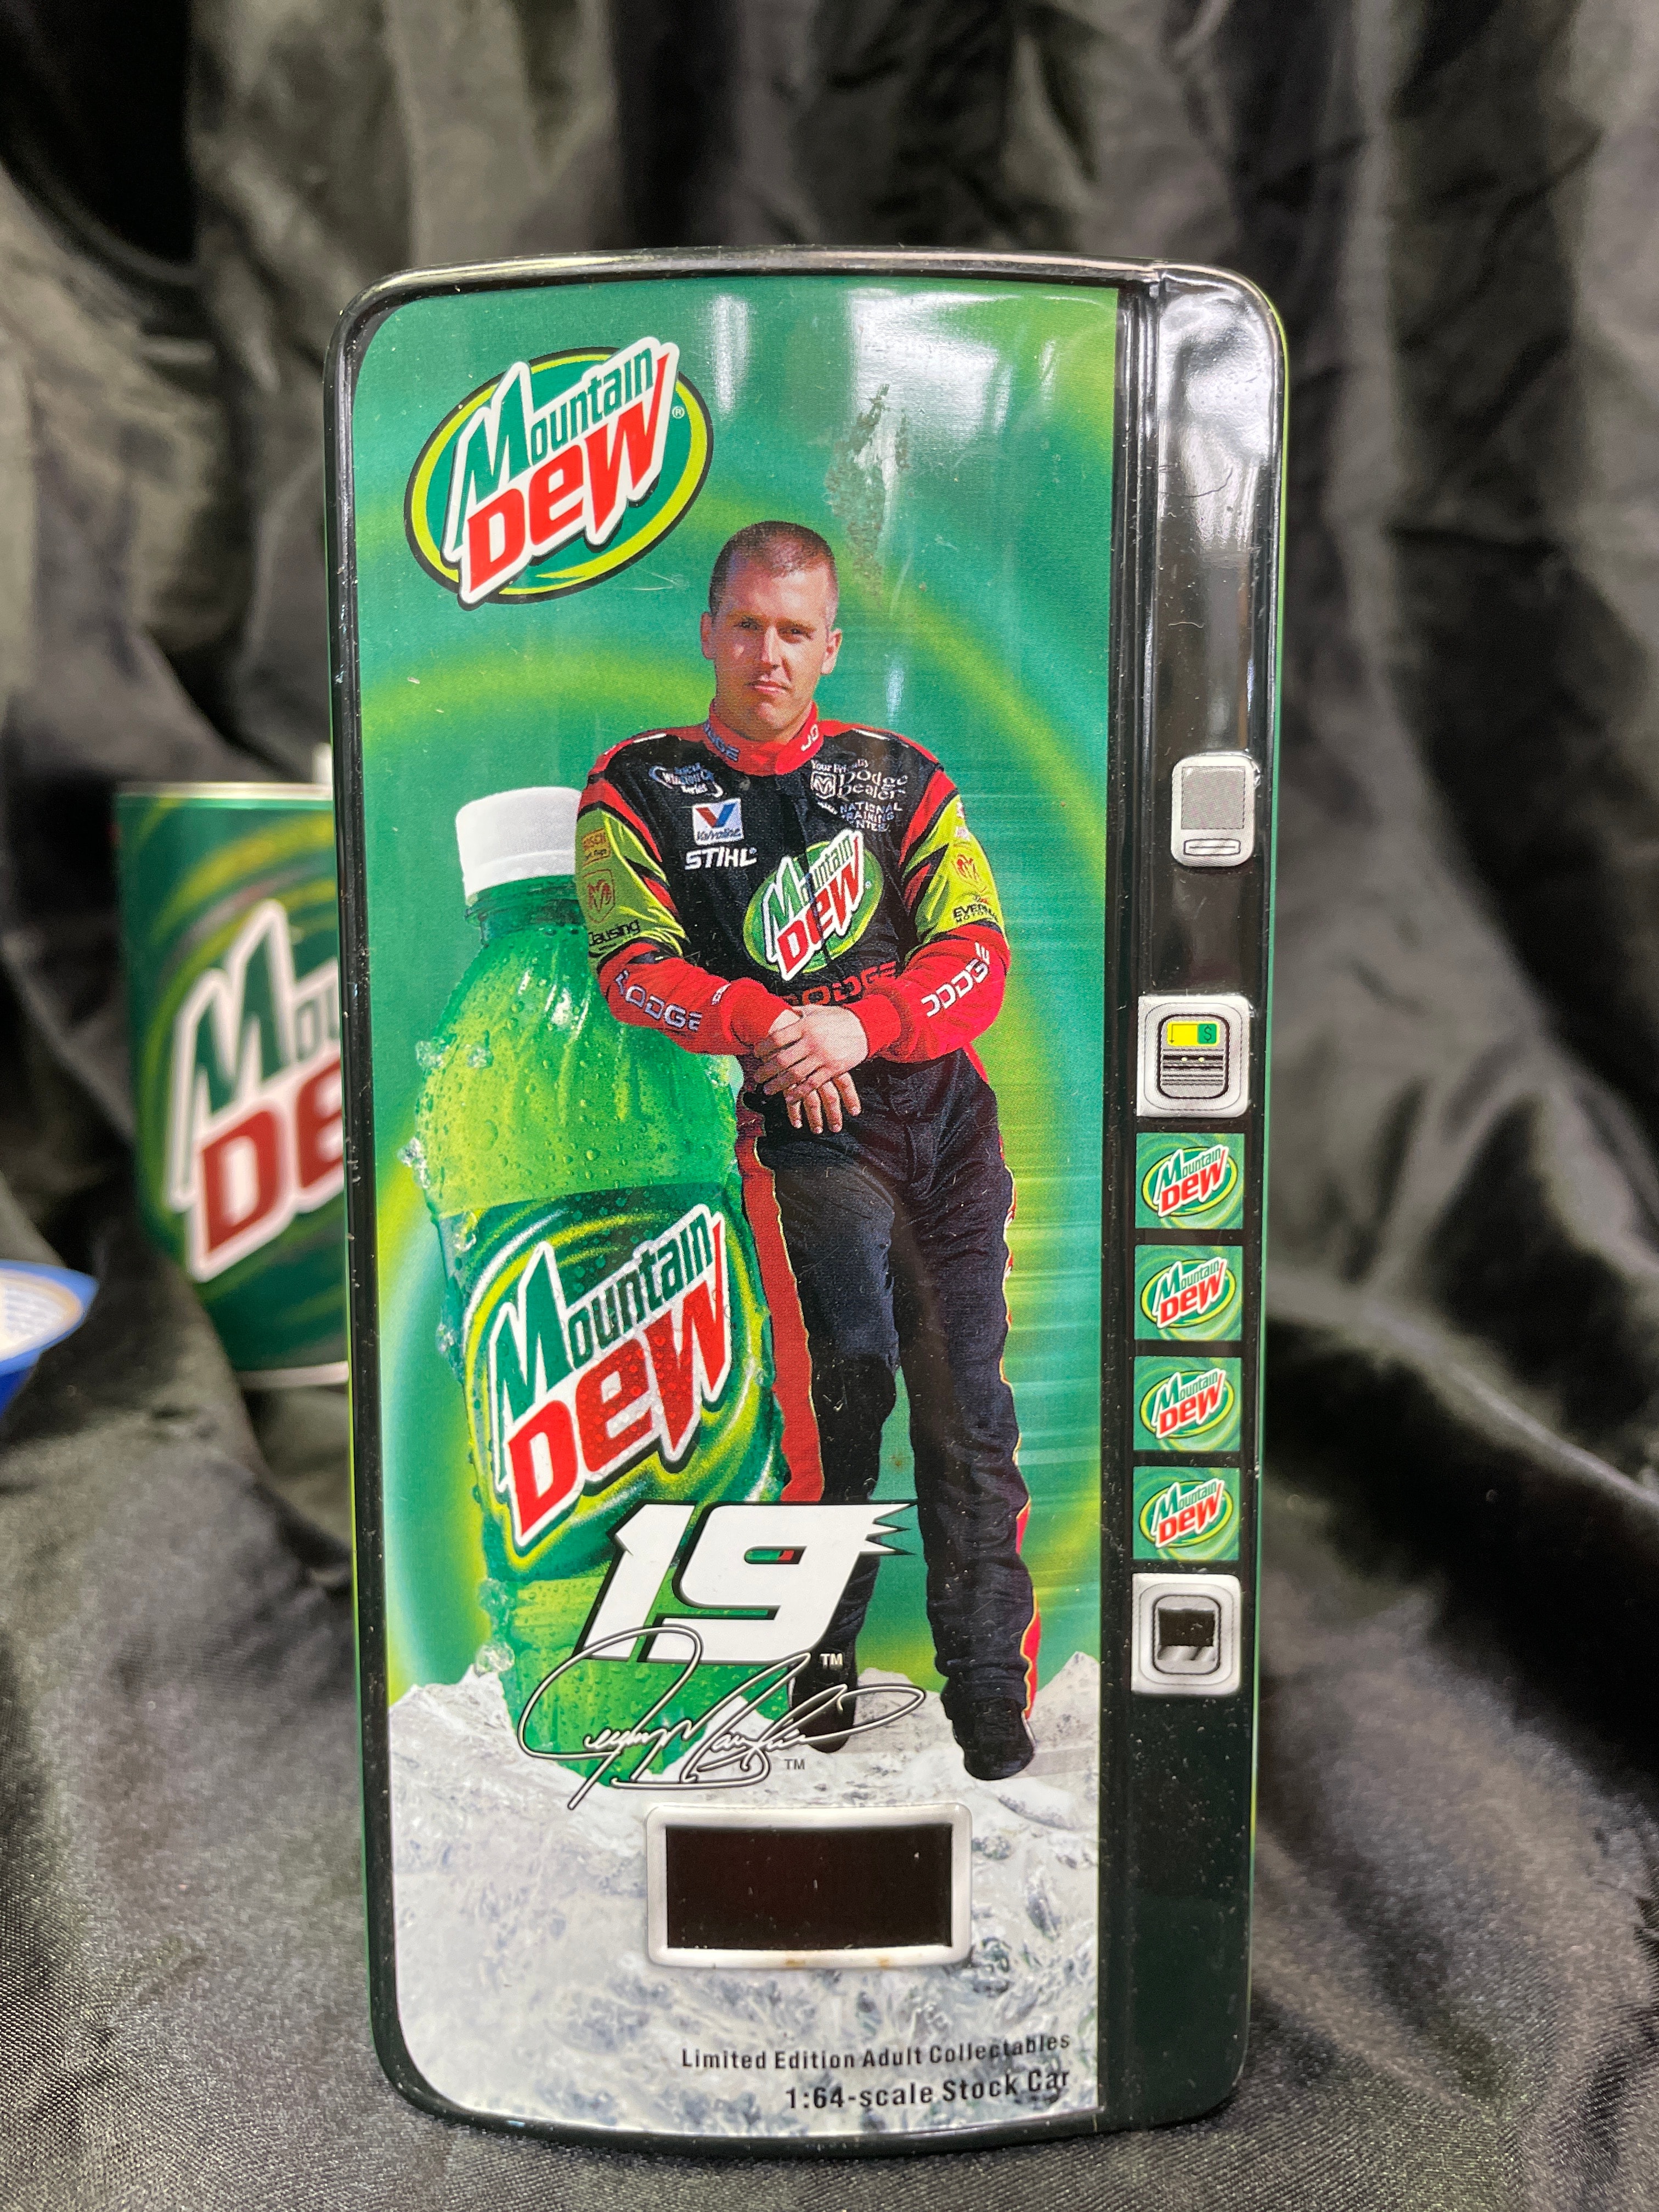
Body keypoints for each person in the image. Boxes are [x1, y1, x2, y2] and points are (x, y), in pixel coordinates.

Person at [575, 520, 1037, 1781]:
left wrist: (858, 1023)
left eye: (795, 631)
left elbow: (979, 954)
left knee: (969, 1420)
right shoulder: (638, 787)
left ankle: (991, 1717)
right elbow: (630, 966)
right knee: (843, 1406)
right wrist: (765, 1023)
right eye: (747, 626)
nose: (768, 654)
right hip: (803, 1140)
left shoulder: (904, 777)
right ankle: (816, 1677)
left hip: (944, 1126)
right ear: (708, 632)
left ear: (832, 644)